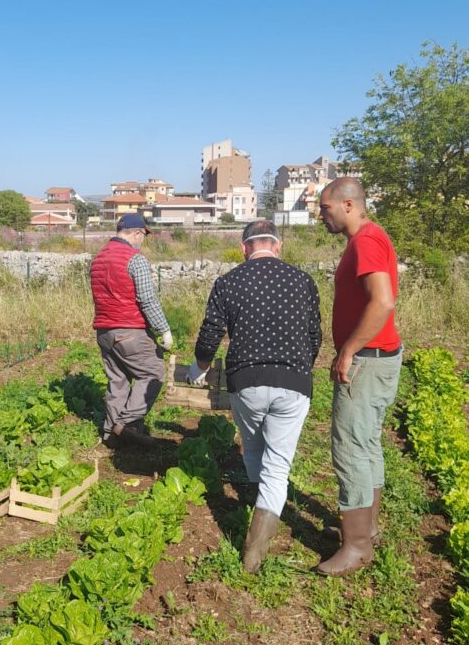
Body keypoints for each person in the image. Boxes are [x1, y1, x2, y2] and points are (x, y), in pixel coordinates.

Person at [187, 220, 322, 573]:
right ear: (278, 246)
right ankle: (254, 552)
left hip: (245, 381)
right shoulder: (302, 281)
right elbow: (314, 335)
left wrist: (198, 367)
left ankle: (251, 497)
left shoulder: (228, 282)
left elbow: (210, 333)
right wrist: (300, 366)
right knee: (278, 466)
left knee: (252, 443)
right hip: (293, 381)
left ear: (244, 247)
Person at [316, 177, 402, 577]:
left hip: (367, 359)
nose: (321, 216)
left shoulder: (366, 241)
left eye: (325, 209)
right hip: (380, 356)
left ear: (348, 204)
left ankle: (356, 546)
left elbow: (383, 301)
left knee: (350, 447)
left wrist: (348, 350)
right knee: (366, 443)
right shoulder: (370, 237)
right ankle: (367, 529)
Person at [90, 213, 173, 446]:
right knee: (153, 372)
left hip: (104, 331)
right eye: (143, 236)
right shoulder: (134, 259)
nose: (142, 241)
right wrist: (163, 330)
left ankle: (111, 436)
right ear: (137, 233)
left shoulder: (98, 259)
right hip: (129, 330)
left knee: (118, 382)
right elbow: (147, 299)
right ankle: (126, 425)